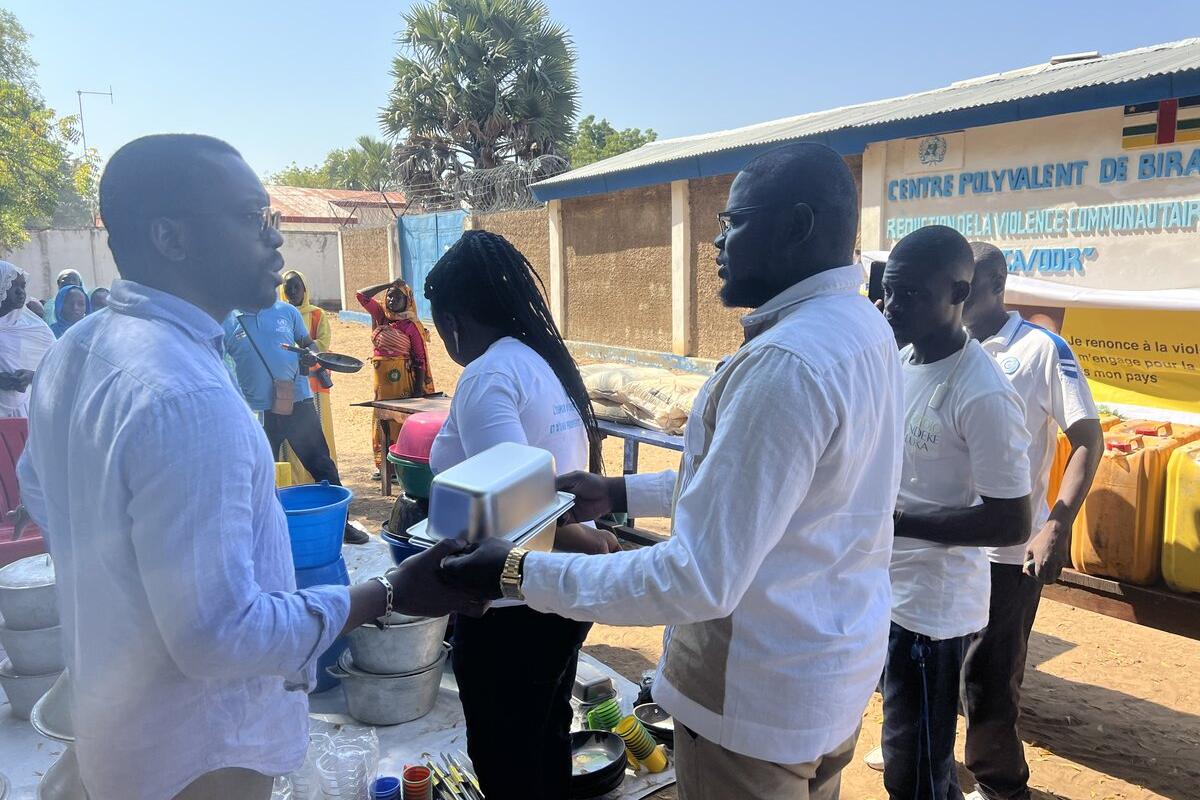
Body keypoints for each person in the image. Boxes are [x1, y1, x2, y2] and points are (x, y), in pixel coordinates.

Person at [16, 134, 480, 800]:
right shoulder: (186, 396)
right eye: (250, 219)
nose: (276, 241)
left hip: (114, 728)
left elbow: (42, 492)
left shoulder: (79, 349)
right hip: (198, 758)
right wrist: (391, 594)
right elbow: (218, 638)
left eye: (273, 219)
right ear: (172, 238)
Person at [442, 143, 904, 800]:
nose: (716, 241)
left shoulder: (785, 364)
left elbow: (698, 578)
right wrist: (622, 490)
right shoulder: (861, 328)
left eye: (733, 222)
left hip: (753, 705)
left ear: (797, 225)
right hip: (828, 676)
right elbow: (773, 491)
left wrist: (515, 572)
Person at [423, 229, 618, 800]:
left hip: (512, 602)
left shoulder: (486, 375)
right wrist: (591, 543)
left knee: (507, 757)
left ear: (454, 321)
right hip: (558, 597)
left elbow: (516, 501)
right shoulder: (537, 361)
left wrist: (592, 543)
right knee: (546, 734)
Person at [879, 226, 1032, 800]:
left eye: (912, 294)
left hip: (934, 613)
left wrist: (895, 524)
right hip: (888, 589)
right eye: (890, 292)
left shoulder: (982, 390)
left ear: (959, 292)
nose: (894, 307)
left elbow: (1011, 522)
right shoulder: (901, 359)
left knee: (915, 767)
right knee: (906, 753)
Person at [959, 242, 1102, 800]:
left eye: (963, 284)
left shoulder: (1041, 350)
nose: (952, 295)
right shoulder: (941, 346)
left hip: (1007, 547)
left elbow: (1087, 438)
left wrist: (1056, 524)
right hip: (943, 542)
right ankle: (933, 751)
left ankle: (1000, 784)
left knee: (993, 673)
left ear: (996, 284)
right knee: (937, 653)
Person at [223, 297, 368, 544]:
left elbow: (308, 344)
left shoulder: (286, 311)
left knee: (322, 465)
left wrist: (311, 355)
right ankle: (259, 536)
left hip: (298, 403)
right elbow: (220, 361)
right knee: (257, 473)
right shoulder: (229, 319)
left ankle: (341, 526)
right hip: (257, 412)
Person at [356, 278, 434, 476]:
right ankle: (384, 466)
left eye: (397, 296)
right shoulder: (382, 317)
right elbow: (361, 295)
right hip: (381, 385)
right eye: (389, 295)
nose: (392, 299)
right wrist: (388, 283)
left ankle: (400, 467)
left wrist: (417, 392)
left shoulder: (411, 326)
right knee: (381, 421)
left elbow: (420, 359)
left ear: (407, 300)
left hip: (402, 383)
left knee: (399, 422)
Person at [279, 270, 337, 485]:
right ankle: (293, 481)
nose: (293, 291)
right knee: (291, 437)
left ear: (305, 289)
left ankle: (320, 481)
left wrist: (300, 352)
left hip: (314, 384)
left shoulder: (317, 314)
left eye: (297, 287)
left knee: (315, 436)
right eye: (288, 288)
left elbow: (321, 344)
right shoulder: (279, 315)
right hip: (288, 384)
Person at [0, 261, 55, 418]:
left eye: (22, 286)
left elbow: (58, 368)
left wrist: (32, 376)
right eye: (12, 285)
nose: (20, 292)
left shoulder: (36, 329)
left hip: (25, 413)